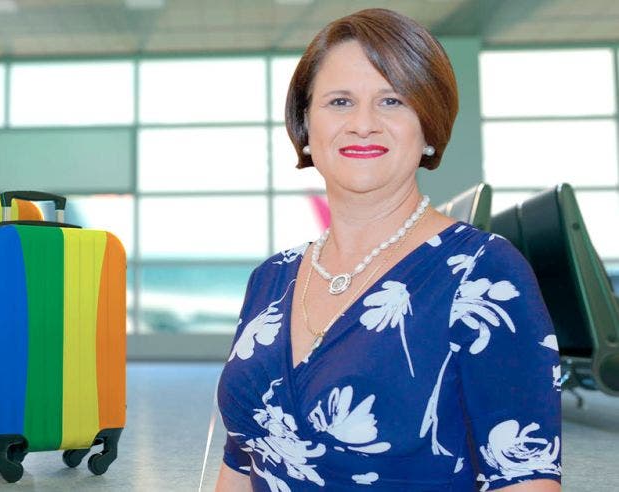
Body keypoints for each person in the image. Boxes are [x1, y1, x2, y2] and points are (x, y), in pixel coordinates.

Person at [215, 8, 562, 491]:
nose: (363, 123)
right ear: (305, 126)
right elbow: (240, 461)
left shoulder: (482, 274)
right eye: (339, 101)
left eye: (392, 101)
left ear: (428, 127)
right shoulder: (271, 279)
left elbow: (525, 480)